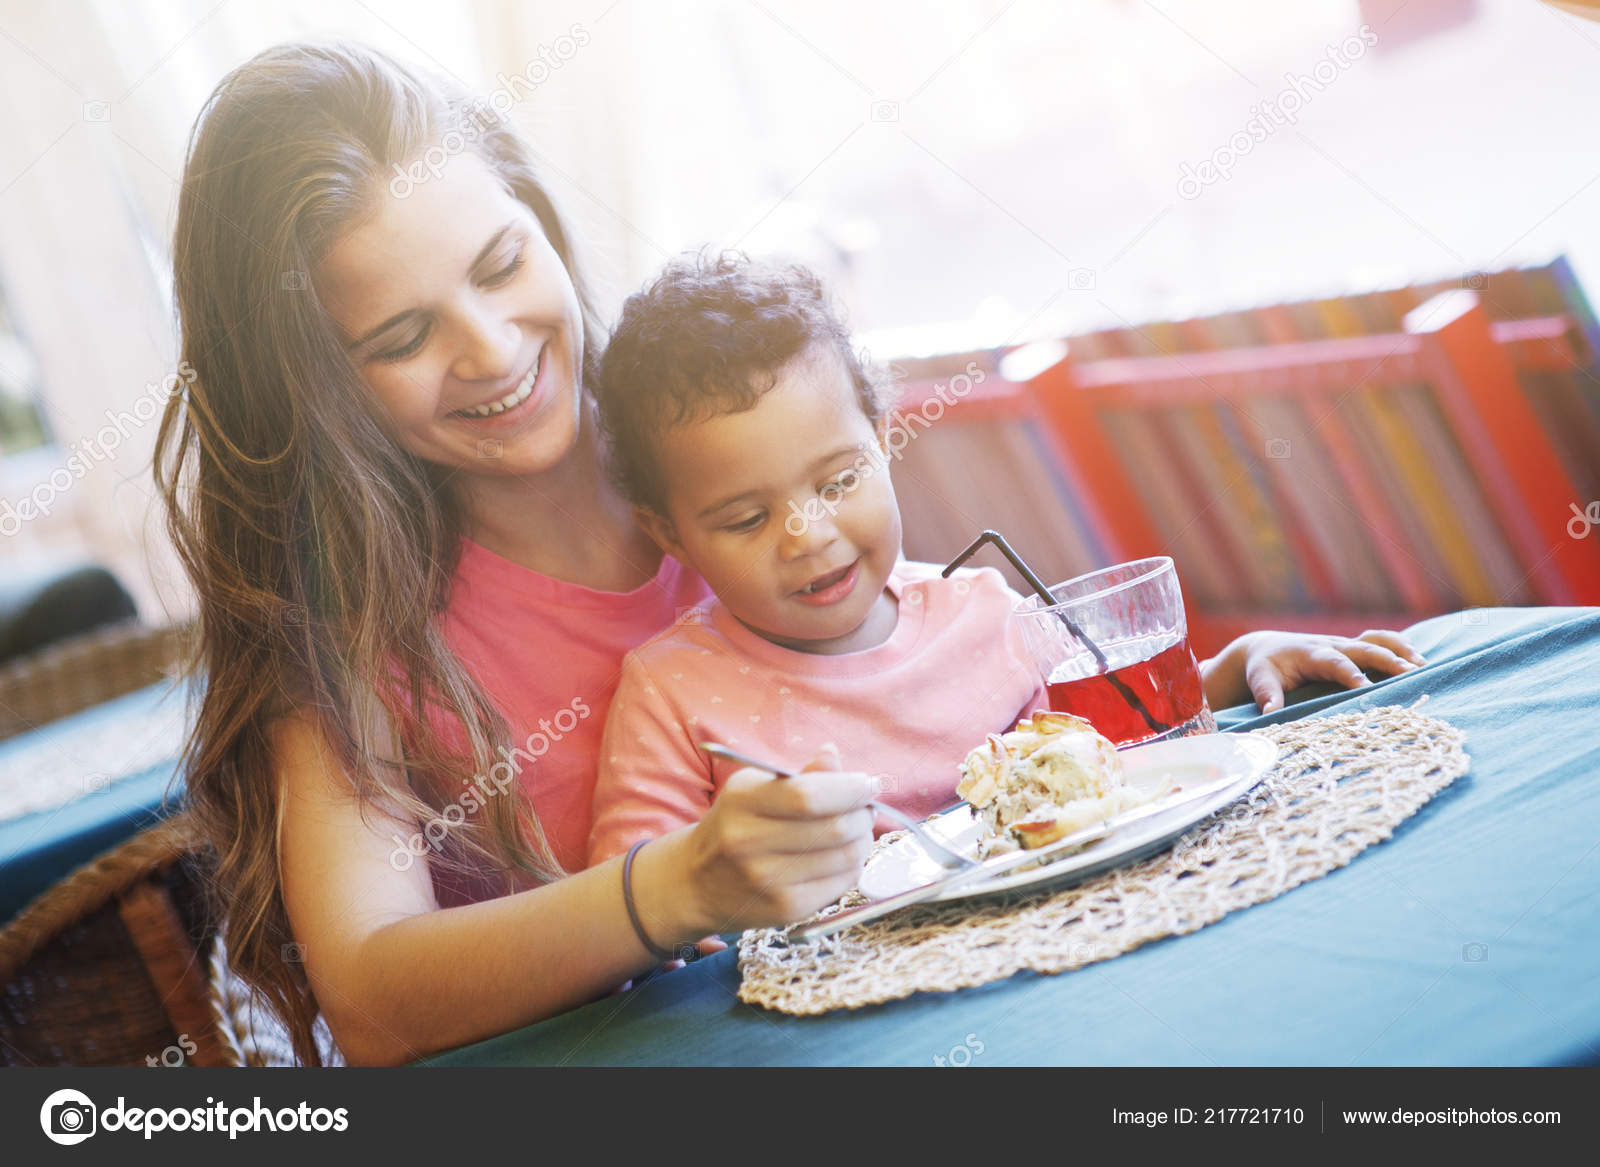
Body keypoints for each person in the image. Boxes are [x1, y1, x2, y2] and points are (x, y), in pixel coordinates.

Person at [155, 41, 879, 1067]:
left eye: (502, 264)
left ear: (543, 217)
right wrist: (677, 888)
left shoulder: (733, 443)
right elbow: (367, 997)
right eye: (402, 338)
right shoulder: (354, 637)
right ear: (315, 389)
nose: (492, 350)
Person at [586, 252, 1426, 865]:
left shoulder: (981, 609)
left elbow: (1103, 743)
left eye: (840, 479)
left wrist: (1235, 665)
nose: (806, 533)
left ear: (883, 441)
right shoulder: (672, 690)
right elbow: (642, 901)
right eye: (744, 517)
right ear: (670, 533)